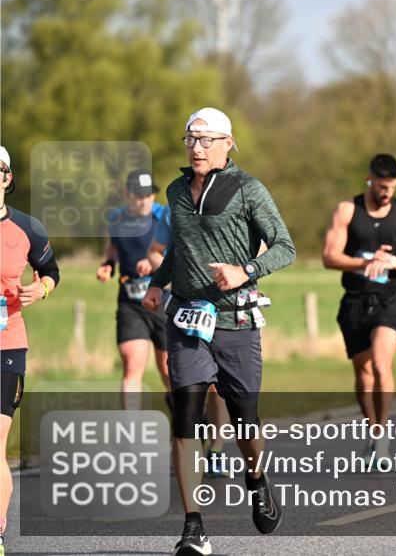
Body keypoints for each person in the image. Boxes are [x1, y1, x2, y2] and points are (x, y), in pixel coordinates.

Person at [142, 108, 296, 556]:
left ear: (228, 143)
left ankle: (256, 477)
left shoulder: (248, 189)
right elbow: (181, 246)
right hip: (188, 321)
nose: (197, 147)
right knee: (186, 417)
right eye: (191, 139)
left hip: (236, 321)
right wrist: (158, 282)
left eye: (206, 140)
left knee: (245, 417)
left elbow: (286, 247)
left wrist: (245, 271)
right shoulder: (175, 190)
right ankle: (193, 526)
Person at [322, 154, 396, 469]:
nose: (387, 193)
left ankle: (382, 438)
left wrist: (392, 261)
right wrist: (365, 262)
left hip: (390, 300)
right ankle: (373, 431)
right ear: (369, 179)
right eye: (382, 186)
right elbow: (329, 256)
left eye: (392, 187)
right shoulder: (347, 210)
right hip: (356, 301)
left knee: (382, 365)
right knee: (364, 373)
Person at [0, 145, 60, 556]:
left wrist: (41, 289)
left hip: (7, 346)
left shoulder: (27, 228)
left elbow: (51, 270)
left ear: (7, 177)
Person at [147, 198, 232, 479]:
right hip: (185, 307)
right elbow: (155, 251)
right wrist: (172, 279)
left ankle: (216, 450)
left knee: (217, 387)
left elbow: (262, 247)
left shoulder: (236, 201)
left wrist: (239, 273)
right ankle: (189, 443)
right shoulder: (176, 207)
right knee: (186, 383)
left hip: (224, 304)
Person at [96, 171, 170, 408]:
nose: (144, 200)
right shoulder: (117, 219)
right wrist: (108, 264)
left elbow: (180, 250)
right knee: (132, 368)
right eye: (139, 195)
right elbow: (114, 246)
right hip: (131, 302)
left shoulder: (165, 216)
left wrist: (156, 261)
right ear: (127, 194)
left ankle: (185, 421)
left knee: (169, 371)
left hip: (164, 301)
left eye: (149, 194)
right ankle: (131, 427)